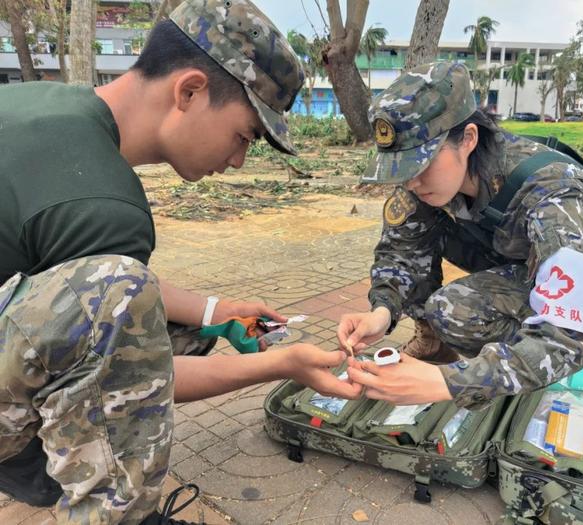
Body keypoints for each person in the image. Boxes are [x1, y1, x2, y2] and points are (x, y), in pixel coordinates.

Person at [0, 1, 360, 523]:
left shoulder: (43, 105)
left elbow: (74, 281)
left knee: (157, 311)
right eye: (244, 136)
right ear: (189, 91)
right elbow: (136, 373)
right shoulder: (107, 205)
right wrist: (278, 364)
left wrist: (218, 311)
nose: (237, 160)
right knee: (123, 306)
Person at [337, 61, 583, 409]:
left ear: (468, 138)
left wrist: (453, 382)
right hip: (521, 256)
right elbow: (401, 254)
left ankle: (573, 366)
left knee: (456, 310)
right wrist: (382, 313)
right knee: (429, 263)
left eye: (420, 165)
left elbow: (568, 331)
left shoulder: (553, 195)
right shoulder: (428, 185)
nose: (411, 181)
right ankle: (441, 343)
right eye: (400, 169)